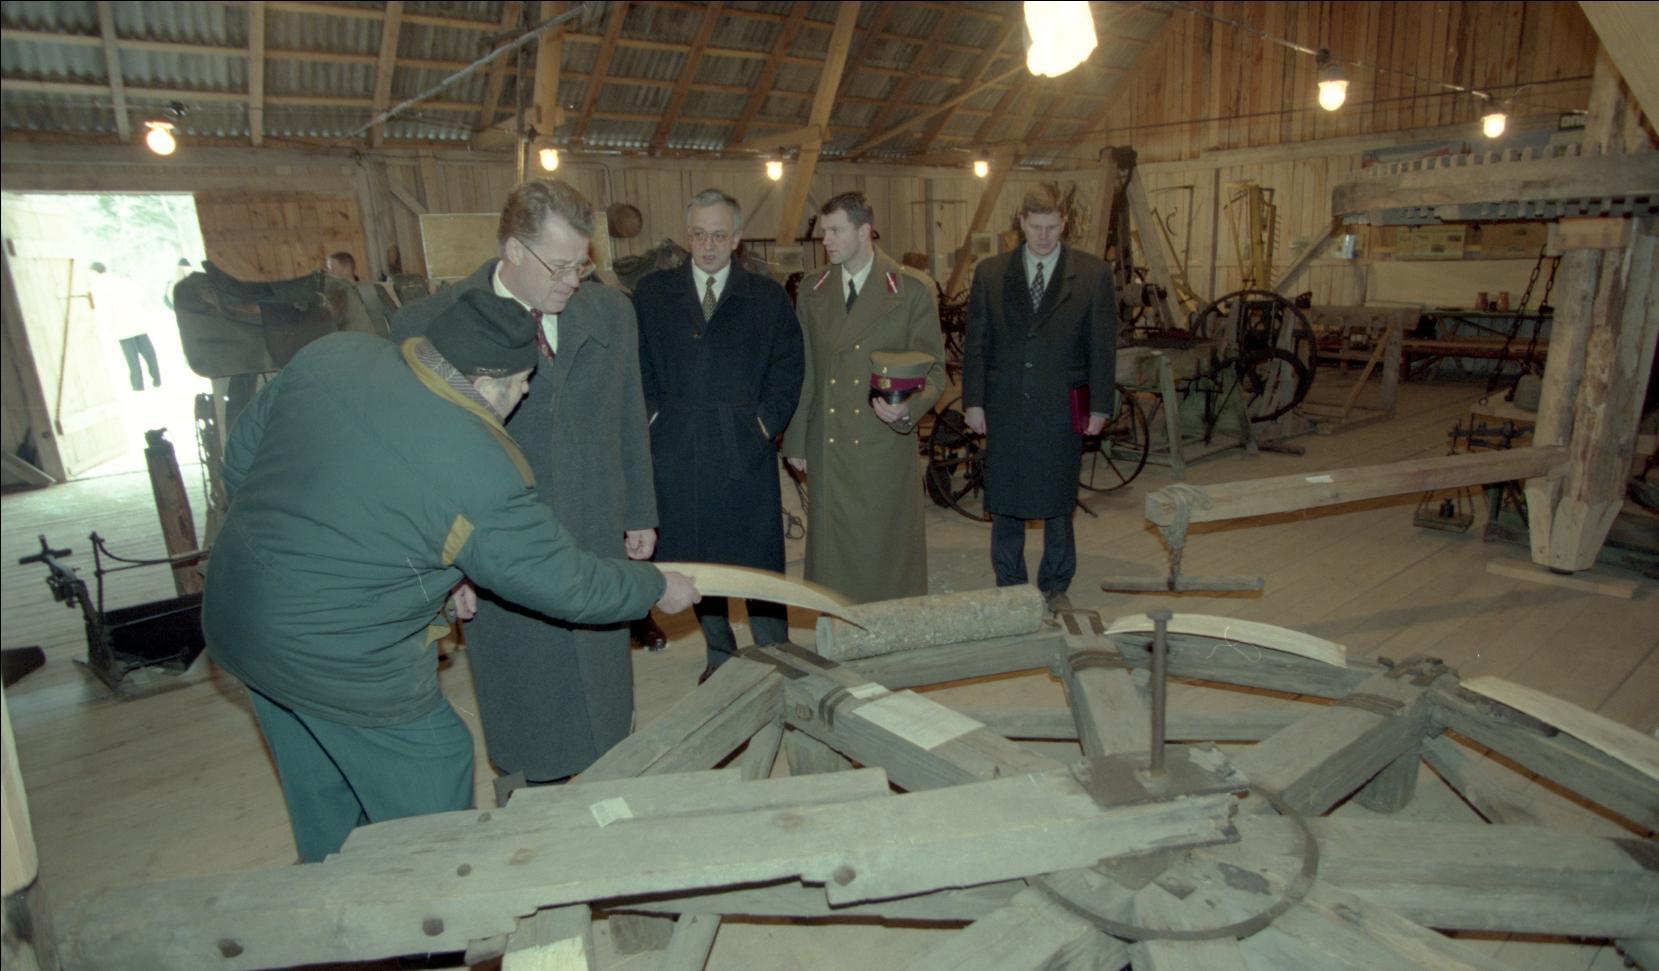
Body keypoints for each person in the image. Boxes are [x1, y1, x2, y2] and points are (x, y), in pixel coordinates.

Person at [203, 289, 700, 862]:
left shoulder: (335, 355)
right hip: (340, 653)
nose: (526, 392)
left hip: (238, 616)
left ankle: (334, 886)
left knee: (323, 780)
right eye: (521, 382)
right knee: (434, 764)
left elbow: (242, 458)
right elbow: (564, 582)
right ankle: (436, 902)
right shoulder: (478, 465)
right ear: (485, 383)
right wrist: (654, 586)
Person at [392, 180, 659, 787]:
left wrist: (640, 510)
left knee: (603, 690)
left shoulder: (611, 313)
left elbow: (628, 412)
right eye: (558, 266)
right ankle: (527, 798)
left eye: (581, 265)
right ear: (513, 249)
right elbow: (415, 465)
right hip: (497, 546)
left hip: (593, 524)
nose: (572, 281)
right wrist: (444, 566)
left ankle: (611, 786)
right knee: (528, 702)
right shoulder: (427, 326)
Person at [634, 189, 804, 680]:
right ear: (688, 235)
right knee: (696, 559)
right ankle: (720, 654)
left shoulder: (766, 297)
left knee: (756, 558)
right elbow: (637, 365)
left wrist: (764, 424)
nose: (707, 246)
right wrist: (655, 418)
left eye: (718, 235)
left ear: (737, 238)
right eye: (698, 235)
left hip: (741, 449)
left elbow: (788, 366)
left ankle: (776, 652)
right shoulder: (653, 294)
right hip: (678, 449)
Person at [781, 192, 946, 604]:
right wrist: (797, 440)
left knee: (883, 551)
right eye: (824, 232)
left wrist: (907, 408)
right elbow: (806, 372)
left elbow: (935, 372)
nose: (826, 241)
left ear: (864, 231)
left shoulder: (910, 290)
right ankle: (839, 623)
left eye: (835, 231)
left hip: (882, 444)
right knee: (835, 558)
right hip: (829, 442)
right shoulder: (813, 289)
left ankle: (889, 624)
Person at [962, 185, 1118, 614]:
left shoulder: (1092, 274)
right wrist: (973, 401)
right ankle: (1010, 585)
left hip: (1061, 405)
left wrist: (1100, 406)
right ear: (1021, 223)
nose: (1045, 236)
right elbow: (976, 343)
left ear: (1063, 224)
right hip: (1005, 402)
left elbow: (1102, 346)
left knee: (1058, 498)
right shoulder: (991, 273)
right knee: (1005, 497)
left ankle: (1055, 585)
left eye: (1052, 227)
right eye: (1036, 227)